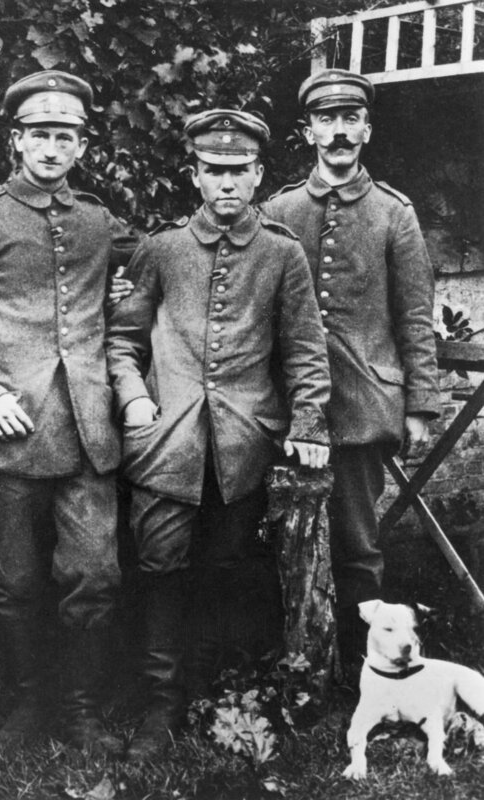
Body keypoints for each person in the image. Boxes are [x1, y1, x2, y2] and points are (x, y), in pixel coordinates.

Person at [0, 70, 136, 751]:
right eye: (39, 133)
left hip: (85, 431)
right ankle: (27, 707)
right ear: (17, 140)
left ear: (81, 146)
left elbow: (138, 281)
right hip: (5, 434)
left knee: (94, 574)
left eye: (65, 135)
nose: (51, 146)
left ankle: (81, 713)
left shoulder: (98, 221)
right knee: (14, 581)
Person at [105, 108, 331, 761]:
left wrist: (309, 422)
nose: (227, 183)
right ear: (195, 175)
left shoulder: (282, 253)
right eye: (215, 171)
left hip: (242, 446)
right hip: (164, 446)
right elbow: (122, 343)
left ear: (259, 174)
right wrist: (135, 397)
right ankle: (160, 708)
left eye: (240, 171)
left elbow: (306, 354)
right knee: (159, 570)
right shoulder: (161, 249)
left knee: (225, 569)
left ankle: (209, 694)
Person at [260, 69, 440, 667]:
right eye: (326, 120)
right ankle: (297, 657)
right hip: (286, 406)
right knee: (282, 533)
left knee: (358, 543)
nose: (338, 133)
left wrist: (420, 404)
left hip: (364, 404)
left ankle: (366, 669)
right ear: (308, 130)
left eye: (349, 120)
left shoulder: (395, 213)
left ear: (366, 127)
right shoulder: (279, 208)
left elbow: (415, 316)